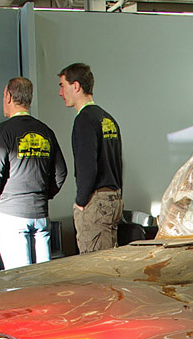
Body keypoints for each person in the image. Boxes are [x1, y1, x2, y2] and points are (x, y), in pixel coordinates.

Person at [0, 76, 66, 269]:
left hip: (11, 215)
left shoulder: (3, 132)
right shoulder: (46, 131)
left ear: (9, 96)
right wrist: (43, 196)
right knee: (42, 278)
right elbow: (61, 173)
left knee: (20, 281)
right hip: (40, 215)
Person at [57, 63, 123, 254]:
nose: (61, 93)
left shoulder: (84, 120)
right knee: (109, 264)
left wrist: (81, 201)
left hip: (96, 202)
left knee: (95, 269)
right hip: (113, 199)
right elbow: (117, 163)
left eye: (62, 85)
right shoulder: (108, 119)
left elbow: (87, 167)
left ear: (76, 86)